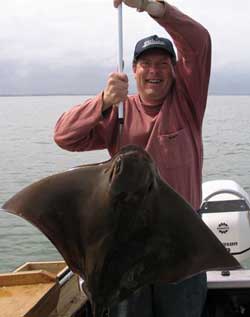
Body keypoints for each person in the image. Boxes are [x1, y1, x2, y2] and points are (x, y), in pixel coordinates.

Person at [54, 0, 211, 316]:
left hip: (179, 238)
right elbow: (64, 136)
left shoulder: (188, 102)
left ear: (176, 71)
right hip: (126, 241)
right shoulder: (119, 112)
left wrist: (153, 6)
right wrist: (102, 102)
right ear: (134, 70)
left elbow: (198, 42)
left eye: (164, 64)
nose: (154, 71)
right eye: (146, 64)